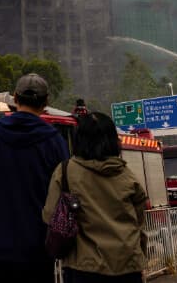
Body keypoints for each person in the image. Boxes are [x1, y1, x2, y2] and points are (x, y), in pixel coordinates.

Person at [0, 73, 68, 283]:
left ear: (15, 98)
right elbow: (66, 190)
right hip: (38, 250)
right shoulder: (55, 140)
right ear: (46, 102)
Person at [42, 112, 146, 283]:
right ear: (113, 140)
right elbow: (139, 222)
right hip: (127, 266)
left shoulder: (65, 171)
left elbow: (49, 215)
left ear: (79, 139)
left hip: (83, 268)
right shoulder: (127, 176)